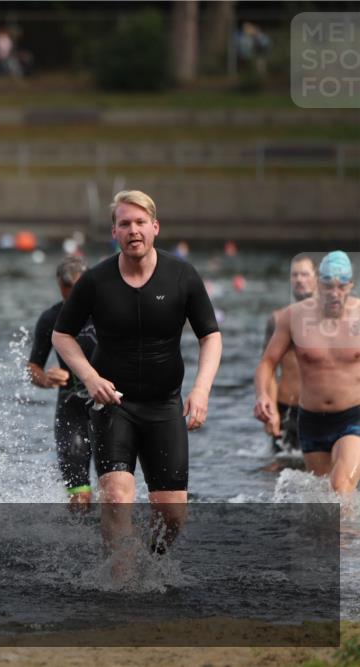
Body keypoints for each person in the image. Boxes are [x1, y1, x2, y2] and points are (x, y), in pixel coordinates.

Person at [52, 190, 222, 553]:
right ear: (114, 232)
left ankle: (148, 561)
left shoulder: (182, 276)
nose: (133, 230)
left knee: (173, 514)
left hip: (164, 406)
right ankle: (121, 582)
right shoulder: (96, 281)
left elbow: (211, 336)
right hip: (114, 405)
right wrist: (90, 377)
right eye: (125, 223)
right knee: (115, 496)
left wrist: (202, 389)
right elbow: (61, 334)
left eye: (140, 222)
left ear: (155, 227)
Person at [255, 251, 360, 501]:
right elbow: (267, 363)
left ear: (351, 286)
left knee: (340, 485)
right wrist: (262, 397)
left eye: (341, 286)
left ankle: (347, 541)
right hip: (311, 422)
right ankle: (336, 538)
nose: (334, 294)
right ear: (318, 284)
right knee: (323, 497)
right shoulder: (293, 317)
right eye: (327, 286)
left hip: (353, 417)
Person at [28, 256, 98, 506]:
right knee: (80, 499)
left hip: (109, 409)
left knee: (115, 493)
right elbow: (33, 367)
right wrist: (46, 379)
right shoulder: (51, 318)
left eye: (77, 294)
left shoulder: (109, 311)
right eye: (66, 295)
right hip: (71, 410)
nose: (72, 303)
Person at [260, 254, 317, 456]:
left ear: (316, 278)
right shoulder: (277, 319)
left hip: (323, 409)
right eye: (294, 275)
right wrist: (270, 409)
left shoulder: (333, 320)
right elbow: (268, 368)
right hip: (287, 410)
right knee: (279, 471)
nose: (299, 279)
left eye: (304, 274)